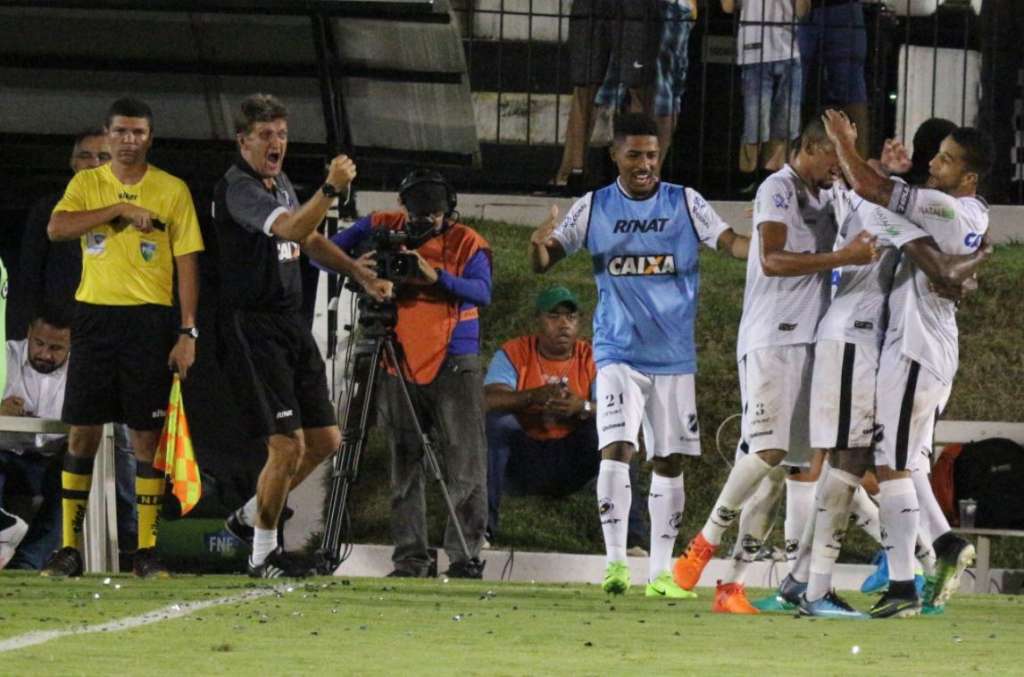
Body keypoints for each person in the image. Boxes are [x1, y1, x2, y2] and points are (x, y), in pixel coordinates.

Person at [531, 112, 750, 597]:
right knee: (617, 448)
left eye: (651, 154)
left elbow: (729, 242)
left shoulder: (685, 202)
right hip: (618, 353)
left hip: (673, 356)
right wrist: (537, 248)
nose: (645, 164)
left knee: (669, 461)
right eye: (634, 155)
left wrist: (767, 250)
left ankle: (658, 574)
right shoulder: (593, 207)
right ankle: (614, 566)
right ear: (615, 156)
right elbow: (548, 257)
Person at [672, 116, 878, 613]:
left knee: (782, 468)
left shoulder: (831, 194)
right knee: (766, 451)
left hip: (812, 343)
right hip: (772, 339)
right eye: (834, 158)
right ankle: (703, 542)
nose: (839, 170)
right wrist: (841, 257)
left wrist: (887, 172)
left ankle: (731, 586)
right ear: (809, 148)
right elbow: (771, 259)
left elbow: (872, 207)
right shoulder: (777, 188)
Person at [820, 109, 993, 617]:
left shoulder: (944, 208)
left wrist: (844, 142)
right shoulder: (969, 213)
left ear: (968, 177)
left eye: (946, 160)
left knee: (890, 462)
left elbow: (876, 192)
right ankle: (938, 548)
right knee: (902, 460)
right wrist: (973, 264)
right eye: (937, 155)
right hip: (925, 348)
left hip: (917, 348)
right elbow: (948, 270)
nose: (935, 165)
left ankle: (903, 586)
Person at [211, 93, 380, 578]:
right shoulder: (238, 189)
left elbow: (309, 238)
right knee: (286, 446)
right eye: (265, 135)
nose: (276, 142)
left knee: (326, 440)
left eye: (281, 134)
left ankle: (248, 516)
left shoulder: (279, 181)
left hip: (290, 323)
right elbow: (288, 230)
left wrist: (358, 274)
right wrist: (329, 188)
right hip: (253, 326)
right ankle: (263, 555)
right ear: (243, 141)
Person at [42, 96, 204, 578]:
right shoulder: (87, 184)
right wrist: (115, 209)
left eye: (138, 132)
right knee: (83, 431)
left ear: (149, 137)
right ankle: (68, 548)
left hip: (149, 322)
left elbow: (188, 261)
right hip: (94, 318)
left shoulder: (171, 190)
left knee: (146, 437)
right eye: (120, 132)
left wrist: (187, 330)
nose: (129, 140)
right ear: (107, 136)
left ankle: (146, 551)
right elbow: (56, 228)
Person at [329, 169, 491, 579]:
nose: (426, 223)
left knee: (465, 462)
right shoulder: (383, 226)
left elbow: (482, 291)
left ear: (448, 211)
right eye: (420, 216)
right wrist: (355, 267)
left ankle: (463, 558)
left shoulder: (467, 240)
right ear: (404, 208)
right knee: (404, 463)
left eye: (435, 216)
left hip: (455, 359)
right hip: (395, 355)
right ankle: (410, 559)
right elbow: (322, 251)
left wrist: (436, 276)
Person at [484, 286, 646, 555]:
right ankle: (480, 530)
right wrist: (531, 397)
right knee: (498, 424)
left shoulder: (591, 357)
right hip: (524, 459)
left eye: (570, 317)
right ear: (538, 320)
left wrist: (579, 406)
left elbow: (619, 408)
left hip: (573, 458)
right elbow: (487, 399)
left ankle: (632, 539)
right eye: (554, 316)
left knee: (614, 431)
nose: (563, 325)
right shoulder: (516, 352)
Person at [10, 129, 110, 339]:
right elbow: (29, 275)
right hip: (58, 334)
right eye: (85, 156)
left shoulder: (134, 211)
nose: (94, 163)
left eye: (103, 157)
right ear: (73, 163)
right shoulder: (47, 210)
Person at [0, 313, 71, 570]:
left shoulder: (83, 372)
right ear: (29, 334)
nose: (45, 354)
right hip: (6, 455)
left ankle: (26, 564)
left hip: (50, 462)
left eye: (55, 348)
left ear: (71, 345)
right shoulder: (5, 355)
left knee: (73, 475)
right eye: (39, 343)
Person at [722, 0, 810, 187]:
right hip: (754, 48)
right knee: (755, 125)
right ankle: (746, 182)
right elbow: (728, 7)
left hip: (789, 50)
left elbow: (802, 11)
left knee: (784, 127)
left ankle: (772, 184)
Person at [798, 0, 870, 158]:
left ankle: (857, 169)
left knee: (850, 90)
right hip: (803, 10)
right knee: (798, 91)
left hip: (842, 9)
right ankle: (799, 167)